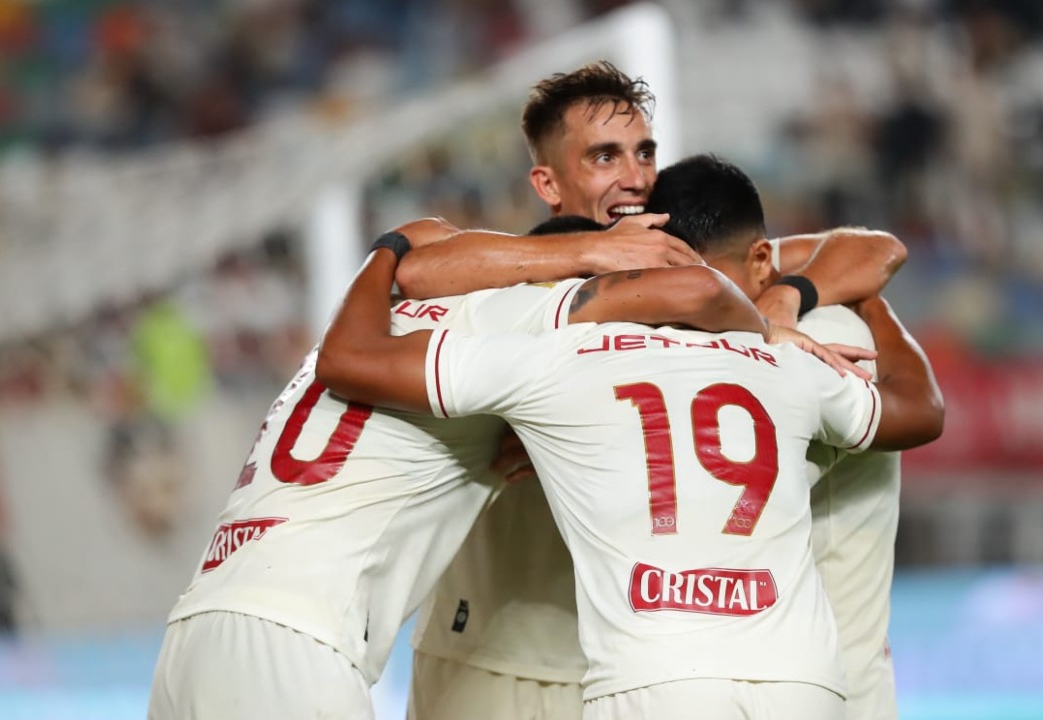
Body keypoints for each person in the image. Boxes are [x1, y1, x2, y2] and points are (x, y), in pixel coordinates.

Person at [397, 64, 908, 720]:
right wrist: (587, 255)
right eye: (604, 157)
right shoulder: (512, 282)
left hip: (627, 668)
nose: (634, 177)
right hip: (491, 651)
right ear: (547, 182)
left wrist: (779, 302)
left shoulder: (691, 268)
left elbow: (870, 248)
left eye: (644, 153)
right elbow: (415, 271)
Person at [315, 209, 942, 718]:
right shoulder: (799, 353)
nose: (631, 176)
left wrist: (389, 249)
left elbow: (352, 359)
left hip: (650, 674)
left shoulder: (558, 358)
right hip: (804, 677)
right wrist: (861, 306)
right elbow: (920, 410)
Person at [644, 154, 943, 720]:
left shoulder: (824, 335)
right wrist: (866, 298)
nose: (692, 305)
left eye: (704, 285)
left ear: (760, 261)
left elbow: (920, 411)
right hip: (763, 682)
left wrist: (846, 302)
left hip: (823, 685)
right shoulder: (716, 340)